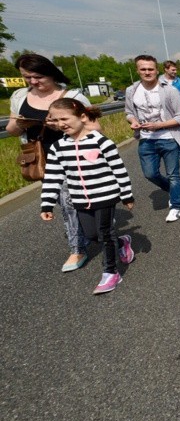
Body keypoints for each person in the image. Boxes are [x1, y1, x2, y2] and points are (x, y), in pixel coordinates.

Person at [7, 53, 96, 272]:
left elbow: (95, 129)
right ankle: (92, 232)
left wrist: (62, 125)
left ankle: (78, 248)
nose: (33, 82)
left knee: (69, 204)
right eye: (27, 77)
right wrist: (21, 125)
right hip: (43, 161)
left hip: (74, 158)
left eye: (37, 77)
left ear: (50, 73)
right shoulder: (20, 96)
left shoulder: (73, 96)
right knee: (67, 203)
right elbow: (10, 129)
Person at [41, 98, 135, 294]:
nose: (60, 124)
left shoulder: (101, 142)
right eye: (56, 121)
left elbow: (119, 170)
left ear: (82, 117)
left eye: (64, 118)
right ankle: (123, 241)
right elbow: (53, 176)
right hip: (80, 199)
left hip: (106, 195)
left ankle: (111, 272)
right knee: (92, 235)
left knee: (105, 234)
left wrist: (126, 195)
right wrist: (47, 203)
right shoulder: (58, 147)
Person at [124, 54, 180, 223]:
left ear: (157, 70)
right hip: (146, 139)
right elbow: (129, 112)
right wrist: (133, 121)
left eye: (150, 69)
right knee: (150, 174)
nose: (147, 72)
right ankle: (173, 190)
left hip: (169, 138)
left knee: (173, 174)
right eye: (143, 69)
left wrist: (159, 126)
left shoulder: (169, 90)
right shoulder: (131, 91)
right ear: (137, 70)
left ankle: (176, 205)